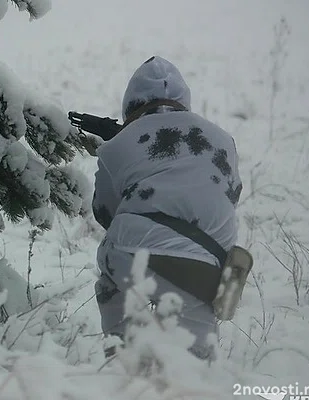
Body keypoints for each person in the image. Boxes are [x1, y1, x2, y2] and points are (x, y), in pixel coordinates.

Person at [92, 56, 243, 360]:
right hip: (210, 270)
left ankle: (122, 354)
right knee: (196, 365)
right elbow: (232, 195)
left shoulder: (116, 146)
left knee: (111, 259)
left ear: (130, 105)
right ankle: (192, 368)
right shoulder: (224, 140)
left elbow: (105, 213)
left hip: (135, 256)